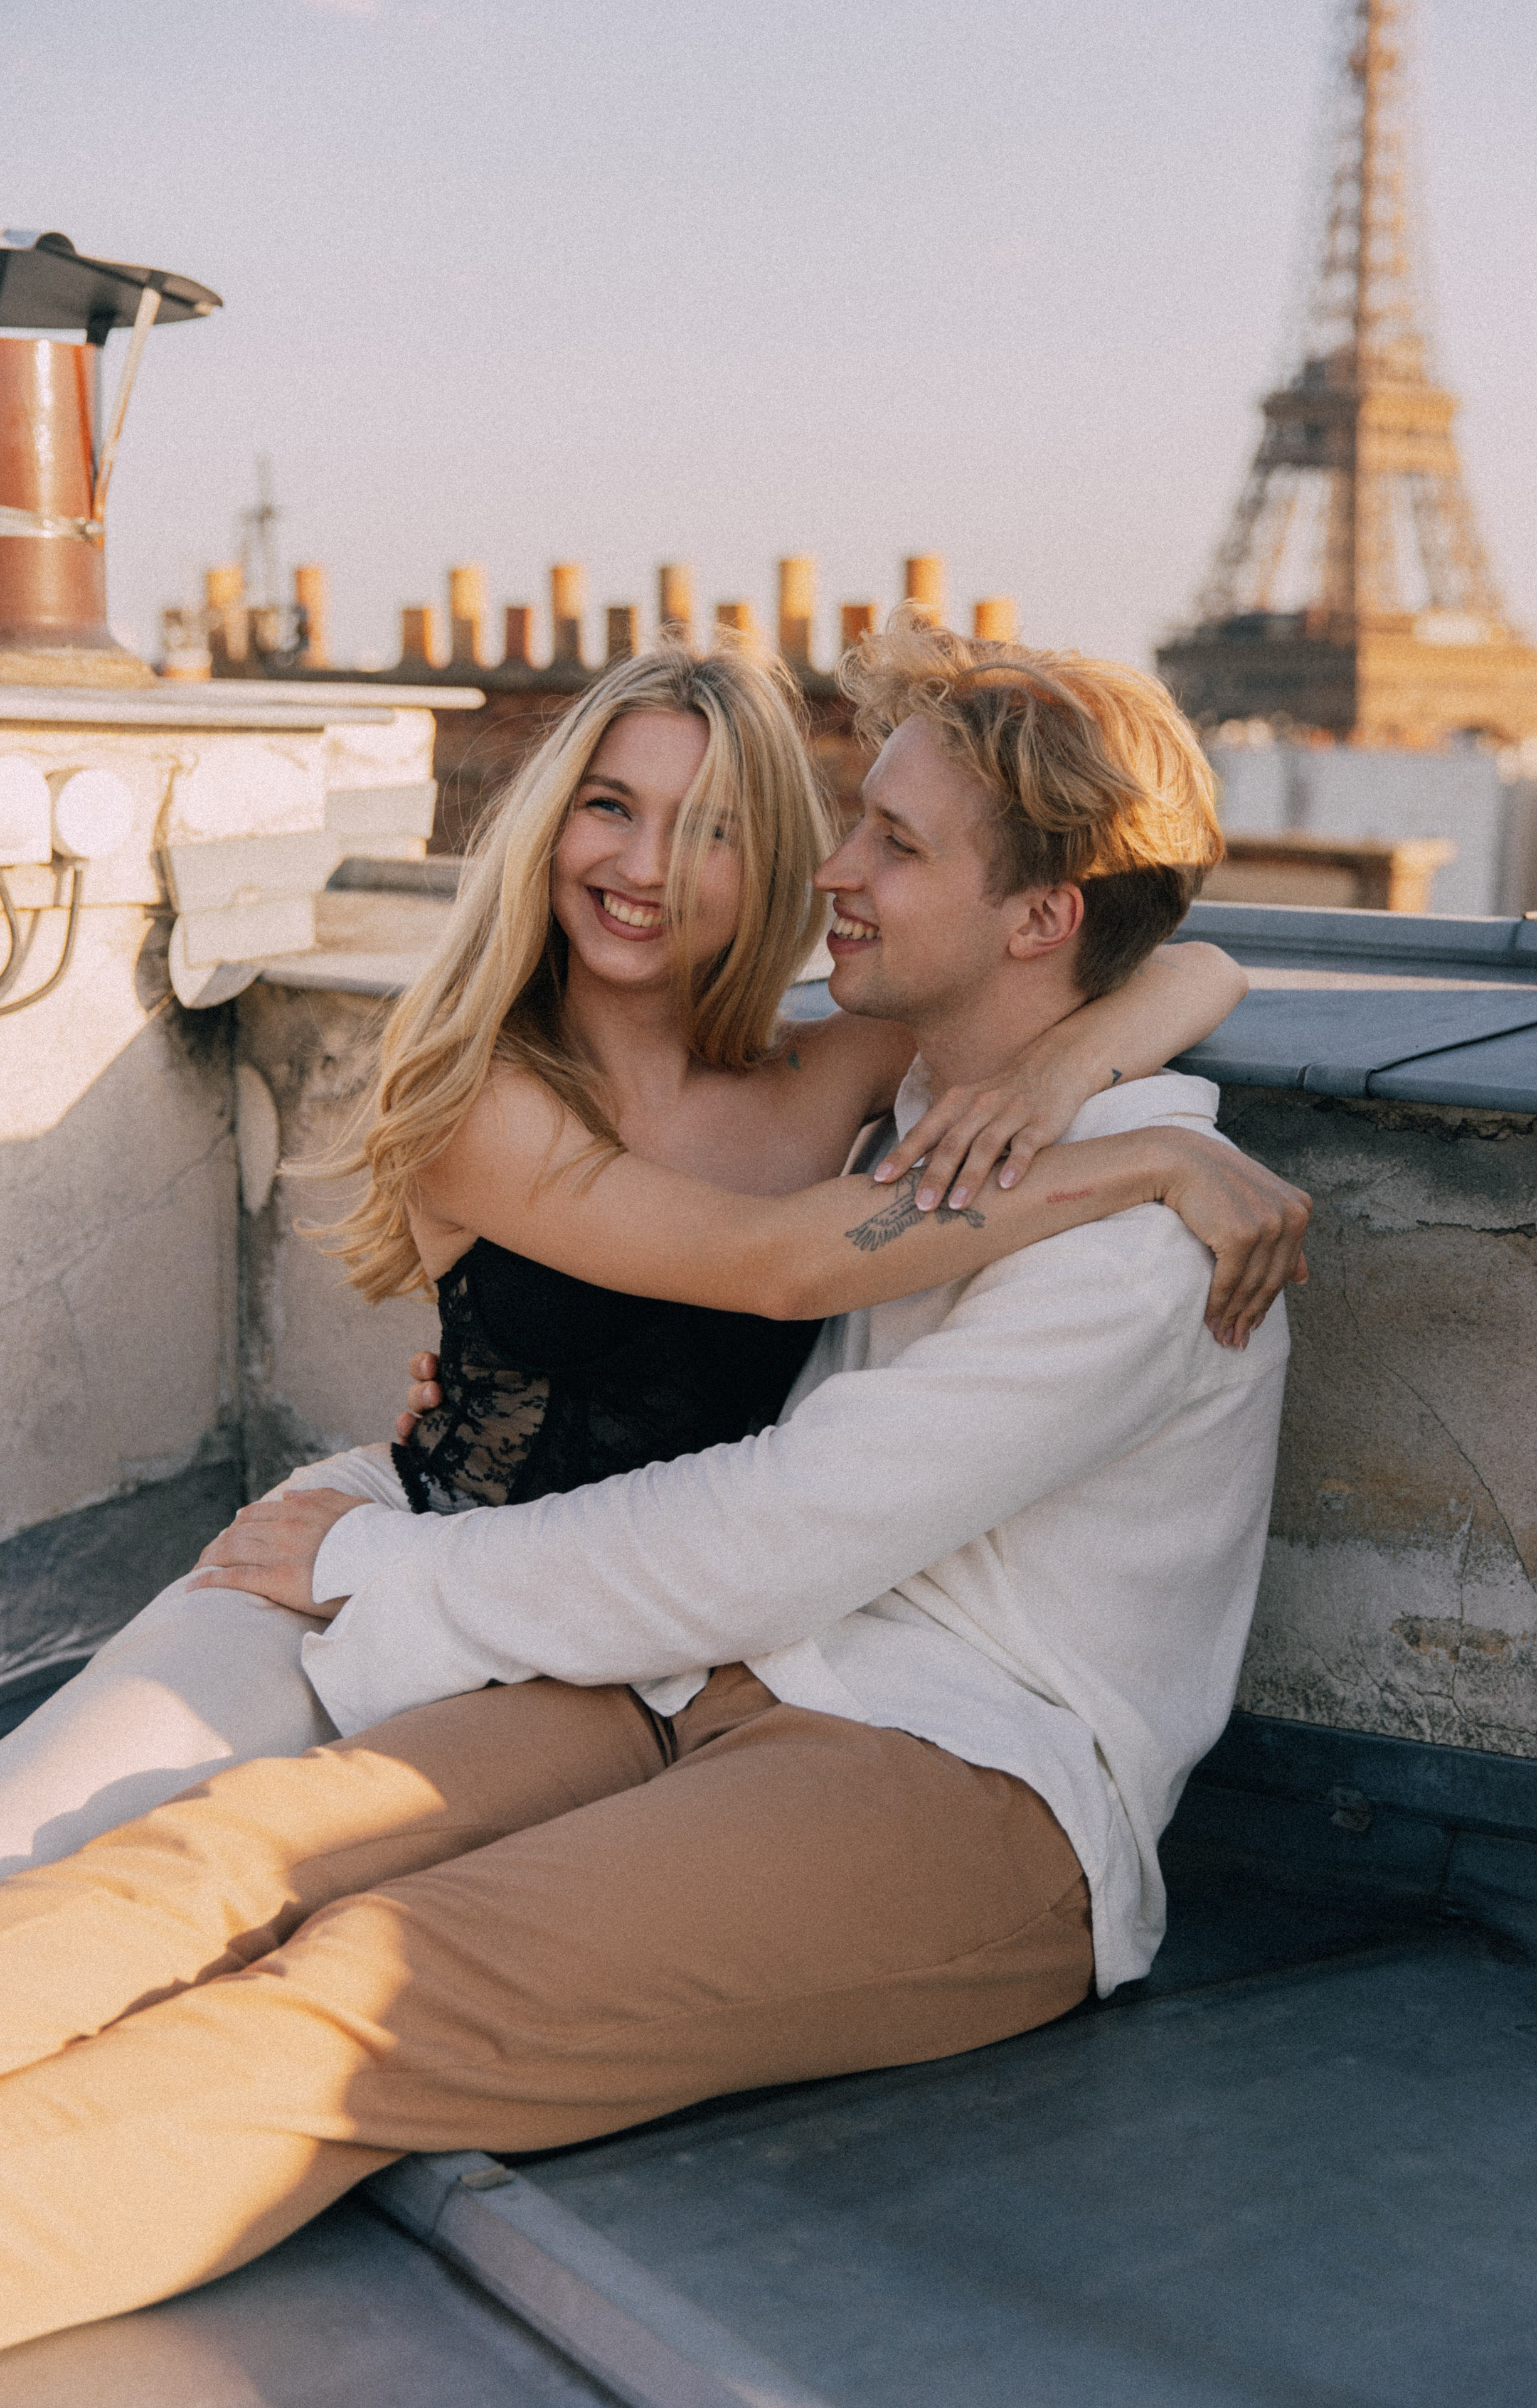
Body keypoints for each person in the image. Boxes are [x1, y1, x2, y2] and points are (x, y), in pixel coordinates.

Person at [0, 616, 1307, 2350]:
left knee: (372, 1986)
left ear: (1038, 913)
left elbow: (771, 1527)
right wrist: (1071, 1065)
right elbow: (1157, 971)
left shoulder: (1144, 1239)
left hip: (964, 1774)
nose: (829, 872)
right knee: (232, 1849)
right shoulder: (911, 1112)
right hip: (705, 1670)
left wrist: (376, 1571)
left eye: (890, 844)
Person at [0, 640, 1270, 1875]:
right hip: (398, 1559)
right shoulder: (485, 1100)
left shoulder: (833, 1067)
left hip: (634, 1647)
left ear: (768, 861)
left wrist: (1064, 1072)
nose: (647, 864)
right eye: (611, 806)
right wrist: (1134, 1161)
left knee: (277, 1909)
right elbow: (775, 1266)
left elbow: (1191, 963)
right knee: (42, 1835)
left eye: (712, 825)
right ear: (554, 822)